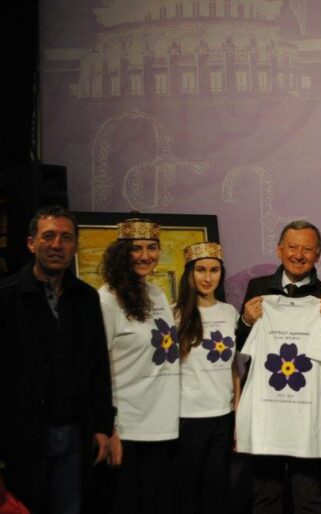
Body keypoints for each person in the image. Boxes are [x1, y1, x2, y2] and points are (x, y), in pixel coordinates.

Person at [232, 220, 321, 514]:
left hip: (307, 412)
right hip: (268, 411)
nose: (299, 255)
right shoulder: (258, 289)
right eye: (292, 247)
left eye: (307, 249)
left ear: (318, 254)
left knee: (309, 498)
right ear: (279, 250)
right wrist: (246, 322)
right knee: (265, 496)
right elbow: (241, 348)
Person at [0, 206, 113, 514]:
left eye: (65, 237)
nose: (56, 245)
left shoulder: (87, 298)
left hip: (75, 435)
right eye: (48, 236)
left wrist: (103, 426)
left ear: (75, 245)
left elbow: (97, 366)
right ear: (31, 243)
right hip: (21, 436)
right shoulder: (7, 297)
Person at [99, 218, 180, 514]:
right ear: (121, 252)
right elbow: (98, 370)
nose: (146, 255)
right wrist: (110, 429)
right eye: (136, 249)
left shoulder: (157, 293)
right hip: (128, 430)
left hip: (164, 427)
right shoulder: (106, 300)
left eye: (152, 247)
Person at [171, 242, 238, 514]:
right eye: (200, 270)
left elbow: (236, 369)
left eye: (214, 270)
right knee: (186, 494)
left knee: (217, 492)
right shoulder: (173, 314)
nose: (207, 277)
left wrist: (237, 414)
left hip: (222, 416)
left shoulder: (230, 312)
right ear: (189, 273)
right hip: (187, 417)